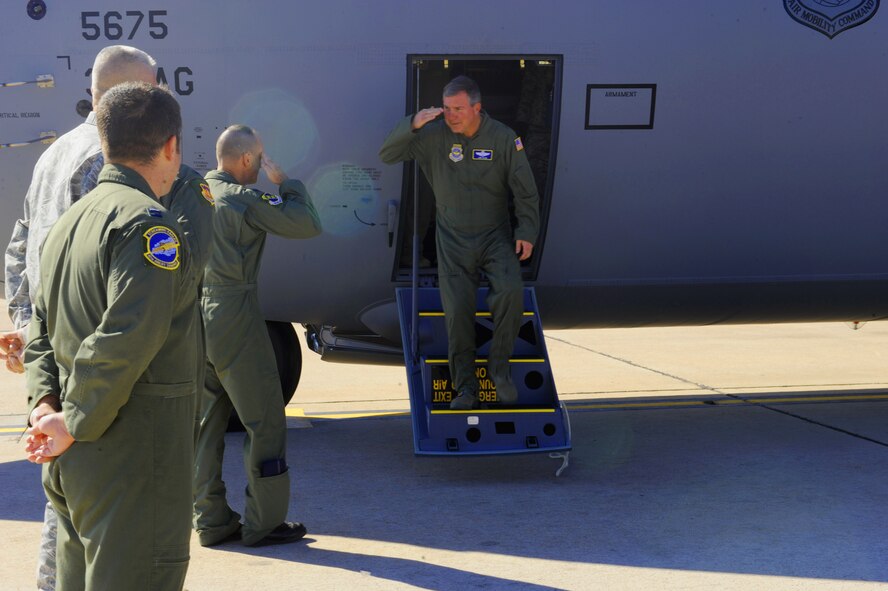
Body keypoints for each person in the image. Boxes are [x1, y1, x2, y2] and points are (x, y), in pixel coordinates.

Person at [23, 81, 197, 590]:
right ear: (170, 147)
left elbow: (40, 326)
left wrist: (45, 405)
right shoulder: (145, 225)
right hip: (132, 458)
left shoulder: (70, 221)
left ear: (105, 143)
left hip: (73, 460)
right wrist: (72, 419)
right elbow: (126, 334)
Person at [3, 45, 158, 591]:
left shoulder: (54, 153)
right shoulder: (106, 163)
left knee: (63, 506)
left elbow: (21, 244)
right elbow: (108, 278)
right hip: (89, 363)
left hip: (54, 353)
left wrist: (26, 327)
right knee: (96, 528)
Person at [193, 125, 322, 547]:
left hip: (195, 315)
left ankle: (210, 521)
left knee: (205, 424)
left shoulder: (190, 193)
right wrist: (288, 184)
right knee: (264, 420)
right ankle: (263, 523)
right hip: (235, 313)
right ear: (248, 160)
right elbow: (306, 224)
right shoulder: (244, 198)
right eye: (260, 157)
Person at [379, 75, 540, 410]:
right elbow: (388, 154)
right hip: (452, 240)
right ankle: (466, 389)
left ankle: (499, 368)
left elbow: (525, 189)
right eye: (446, 108)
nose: (450, 115)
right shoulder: (434, 137)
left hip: (495, 236)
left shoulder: (503, 138)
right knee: (457, 314)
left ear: (477, 108)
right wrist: (413, 123)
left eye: (457, 109)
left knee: (510, 291)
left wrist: (527, 230)